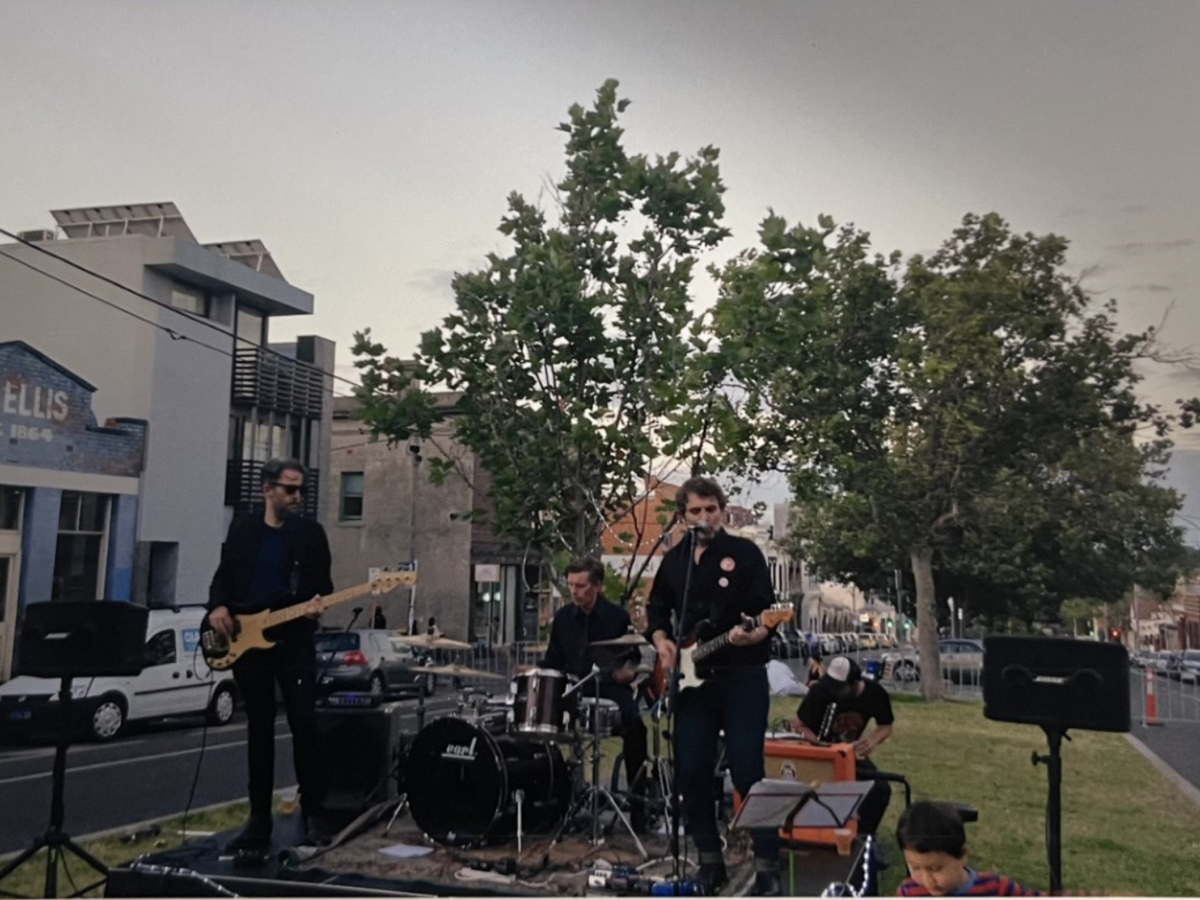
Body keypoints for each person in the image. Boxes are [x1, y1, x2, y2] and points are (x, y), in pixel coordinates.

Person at [646, 476, 781, 896]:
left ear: (721, 509)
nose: (704, 517)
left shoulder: (744, 553)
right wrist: (662, 641)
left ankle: (767, 867)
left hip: (741, 676)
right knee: (692, 771)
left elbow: (764, 612)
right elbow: (656, 607)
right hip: (691, 683)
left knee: (747, 771)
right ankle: (709, 862)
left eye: (710, 509)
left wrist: (754, 634)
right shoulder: (675, 559)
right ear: (683, 516)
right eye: (695, 511)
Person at [207, 458, 333, 854]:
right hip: (247, 640)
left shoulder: (310, 535)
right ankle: (258, 818)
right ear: (268, 489)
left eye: (301, 490)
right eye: (290, 489)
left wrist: (315, 607)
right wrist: (217, 608)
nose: (297, 497)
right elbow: (223, 575)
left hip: (293, 639)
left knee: (304, 725)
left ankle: (313, 813)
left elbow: (323, 587)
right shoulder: (243, 528)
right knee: (258, 729)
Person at [537, 557, 650, 831]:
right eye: (571, 585)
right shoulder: (563, 618)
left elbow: (632, 658)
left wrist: (628, 672)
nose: (575, 591)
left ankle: (639, 810)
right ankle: (548, 803)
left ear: (597, 587)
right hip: (574, 689)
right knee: (537, 724)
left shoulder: (617, 617)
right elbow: (554, 660)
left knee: (636, 729)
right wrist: (535, 670)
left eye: (581, 585)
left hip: (610, 689)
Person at [791, 656, 894, 836]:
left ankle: (864, 836)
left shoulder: (875, 693)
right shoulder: (821, 691)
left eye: (840, 688)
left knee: (880, 789)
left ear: (855, 683)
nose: (834, 692)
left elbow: (886, 726)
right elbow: (798, 725)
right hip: (816, 752)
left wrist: (871, 741)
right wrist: (818, 743)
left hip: (848, 753)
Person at [896, 801, 1040, 896]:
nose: (927, 880)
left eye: (935, 868)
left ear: (963, 855)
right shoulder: (909, 892)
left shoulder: (998, 889)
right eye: (915, 868)